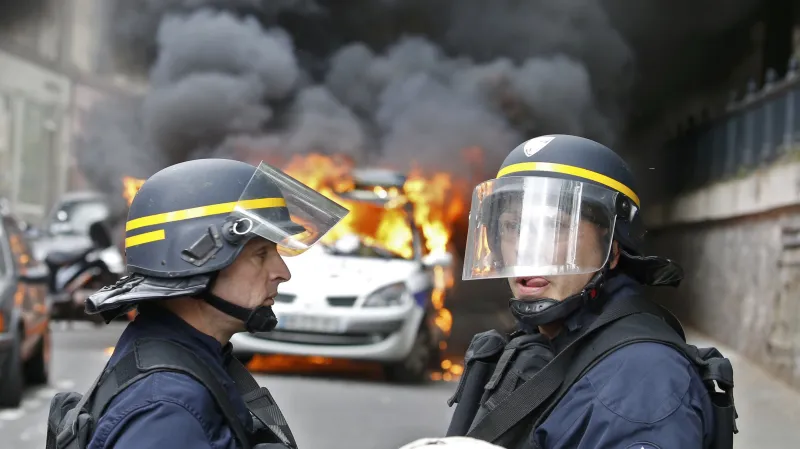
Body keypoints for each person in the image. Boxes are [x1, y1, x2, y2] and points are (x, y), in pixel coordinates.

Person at [446, 135, 737, 449]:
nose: (526, 251)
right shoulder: (542, 340)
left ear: (611, 250)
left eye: (555, 226)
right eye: (513, 226)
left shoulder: (642, 382)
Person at [67, 158, 348, 449]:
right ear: (197, 259)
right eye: (261, 254)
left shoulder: (188, 355)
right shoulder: (167, 412)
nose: (283, 273)